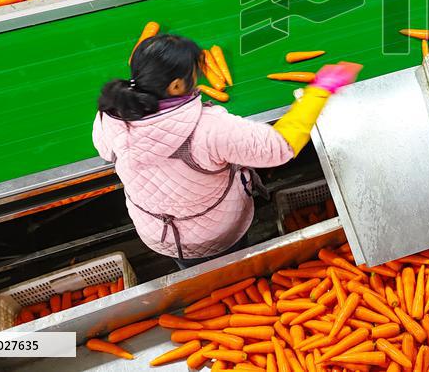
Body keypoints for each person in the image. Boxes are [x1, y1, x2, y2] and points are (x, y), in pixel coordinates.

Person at [92, 34, 359, 268]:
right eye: (195, 72)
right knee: (234, 268)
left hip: (157, 232)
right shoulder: (208, 128)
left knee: (192, 270)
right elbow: (278, 147)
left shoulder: (110, 115)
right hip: (216, 230)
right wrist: (319, 91)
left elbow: (105, 150)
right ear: (175, 86)